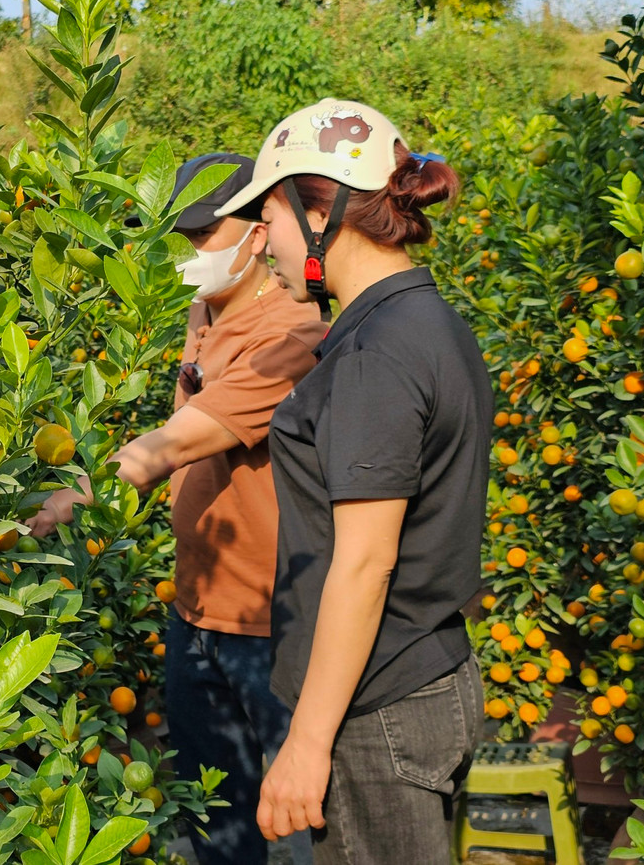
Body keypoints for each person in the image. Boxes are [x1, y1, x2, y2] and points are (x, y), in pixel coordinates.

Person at [211, 99, 493, 864]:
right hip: (419, 676)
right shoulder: (422, 320)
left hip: (378, 706)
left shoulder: (376, 353)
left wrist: (306, 742)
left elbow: (366, 562)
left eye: (266, 214)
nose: (257, 240)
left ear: (320, 214)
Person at [29, 152, 325, 865]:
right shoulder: (204, 308)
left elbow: (178, 441)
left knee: (298, 836)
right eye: (177, 236)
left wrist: (83, 490)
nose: (187, 254)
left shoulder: (293, 331)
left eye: (202, 235)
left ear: (259, 235)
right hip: (194, 609)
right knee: (214, 826)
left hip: (270, 626)